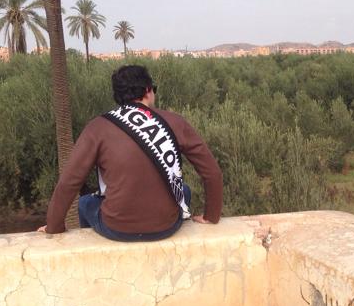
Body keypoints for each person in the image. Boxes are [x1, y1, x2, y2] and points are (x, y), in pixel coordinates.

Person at [38, 65, 222, 240]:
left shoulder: (98, 127)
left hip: (115, 228)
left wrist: (54, 226)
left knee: (85, 202)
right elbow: (212, 172)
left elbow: (69, 182)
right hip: (167, 227)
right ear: (148, 91)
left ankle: (93, 249)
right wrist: (211, 216)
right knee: (184, 191)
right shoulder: (176, 122)